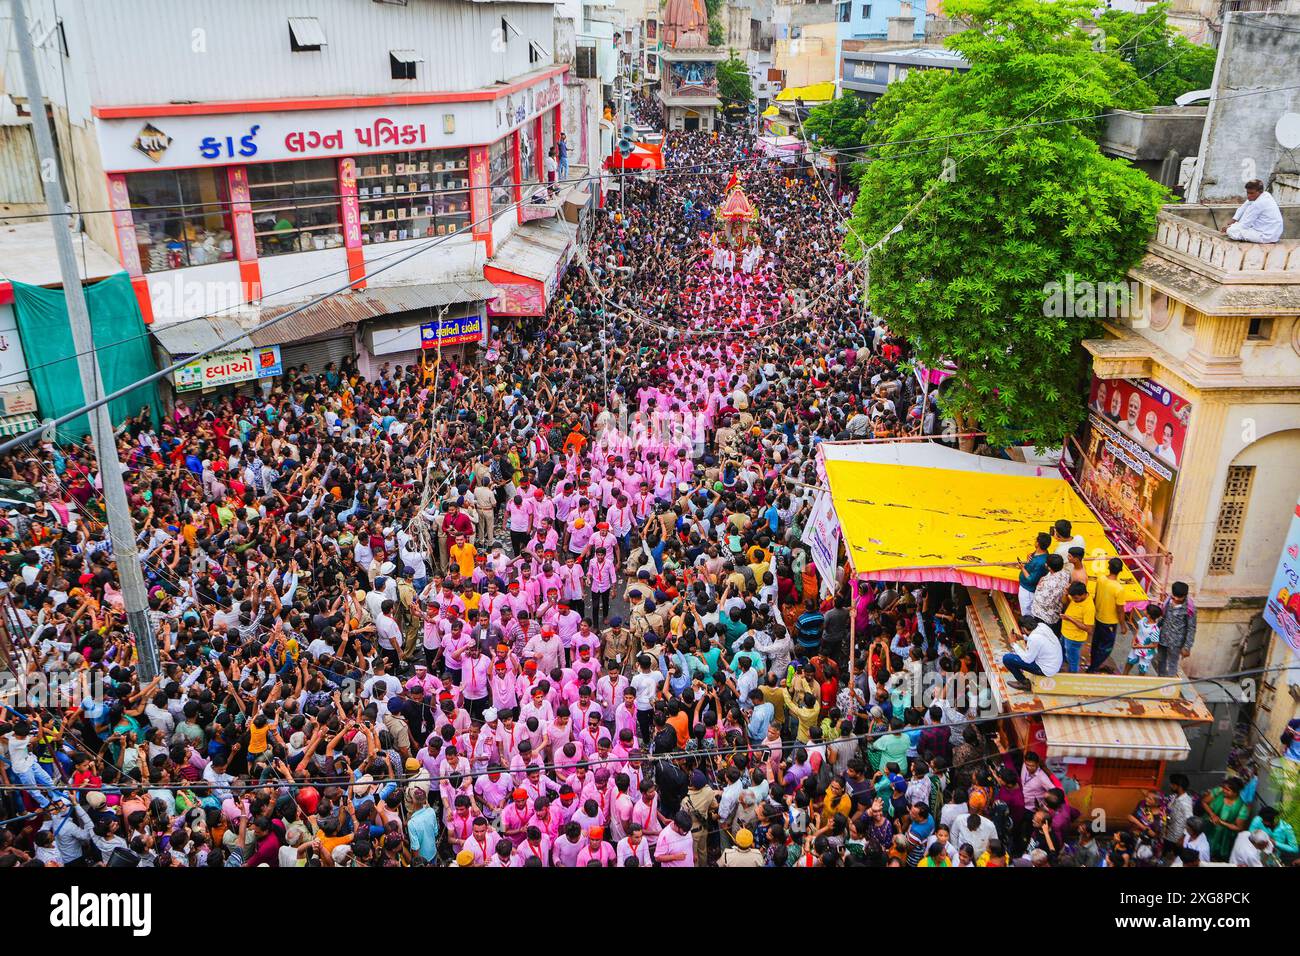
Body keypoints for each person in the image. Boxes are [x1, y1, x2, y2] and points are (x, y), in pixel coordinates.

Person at [1002, 615, 1063, 690]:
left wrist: (1013, 644)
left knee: (1007, 658)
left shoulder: (1033, 639)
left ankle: (1024, 683)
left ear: (1023, 628)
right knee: (1021, 654)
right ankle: (1020, 670)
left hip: (1046, 670)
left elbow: (1027, 659)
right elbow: (1038, 639)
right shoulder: (1042, 626)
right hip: (1055, 664)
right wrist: (1022, 637)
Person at [1222, 179, 1284, 243]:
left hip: (1266, 235)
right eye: (1247, 192)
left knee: (1231, 231)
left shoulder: (1258, 203)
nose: (1248, 195)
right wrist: (1234, 219)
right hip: (1271, 232)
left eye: (1251, 193)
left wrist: (1229, 228)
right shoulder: (1265, 194)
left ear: (1260, 191)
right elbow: (1244, 206)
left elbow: (1245, 225)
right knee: (1236, 225)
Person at [1155, 581, 1196, 678]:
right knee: (1160, 660)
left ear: (1184, 596)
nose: (1176, 599)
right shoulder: (1168, 601)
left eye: (1179, 597)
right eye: (1175, 596)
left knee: (1172, 664)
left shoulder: (1189, 609)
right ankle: (1160, 679)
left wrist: (1187, 646)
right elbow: (1163, 617)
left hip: (1176, 642)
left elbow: (1191, 628)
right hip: (1163, 637)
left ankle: (1169, 684)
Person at [1059, 582, 1095, 674]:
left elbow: (1089, 629)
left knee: (1073, 661)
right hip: (1065, 633)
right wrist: (1065, 594)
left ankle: (1073, 675)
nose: (1074, 600)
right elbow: (1064, 602)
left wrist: (1070, 618)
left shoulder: (1089, 607)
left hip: (1074, 638)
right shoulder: (1076, 596)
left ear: (1083, 594)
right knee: (1062, 651)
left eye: (1076, 598)